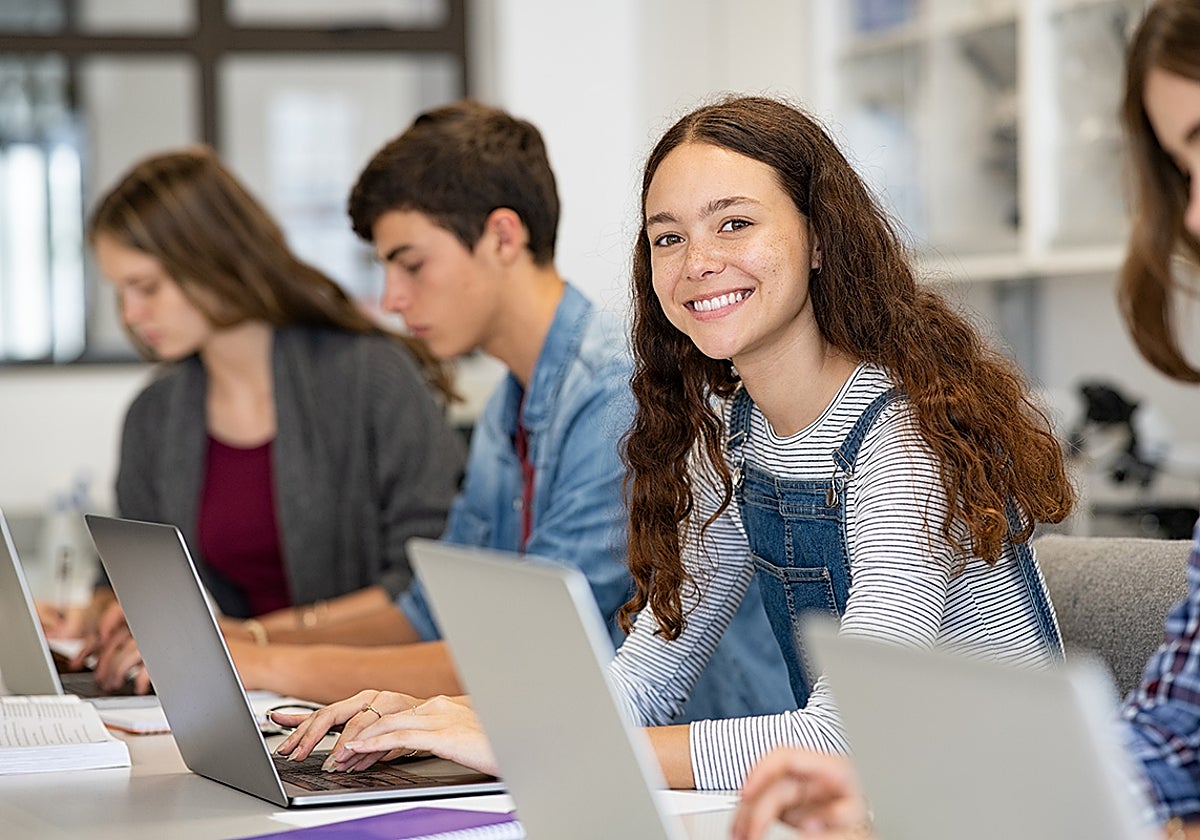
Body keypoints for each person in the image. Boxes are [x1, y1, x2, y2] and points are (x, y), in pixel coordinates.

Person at [272, 94, 1075, 795]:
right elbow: (643, 683)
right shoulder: (733, 435)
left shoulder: (897, 438)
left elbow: (847, 735)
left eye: (734, 223)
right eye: (667, 238)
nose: (698, 264)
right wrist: (444, 718)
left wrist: (530, 745)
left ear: (821, 237)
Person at [735, 2, 1200, 837]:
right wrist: (943, 807)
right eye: (1183, 167)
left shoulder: (896, 435)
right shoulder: (733, 431)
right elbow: (1169, 749)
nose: (1194, 216)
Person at [228, 99, 794, 720]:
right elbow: (430, 611)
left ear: (502, 236)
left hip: (699, 770)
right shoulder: (511, 402)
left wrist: (263, 662)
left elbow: (532, 650)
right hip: (579, 735)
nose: (392, 299)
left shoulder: (619, 393)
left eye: (411, 264)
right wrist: (248, 637)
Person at [54, 146, 467, 693]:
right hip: (229, 697)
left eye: (147, 287)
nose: (131, 314)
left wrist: (247, 641)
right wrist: (99, 612)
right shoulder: (155, 414)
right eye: (121, 292)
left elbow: (427, 581)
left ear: (211, 261)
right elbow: (135, 573)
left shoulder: (370, 378)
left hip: (369, 702)